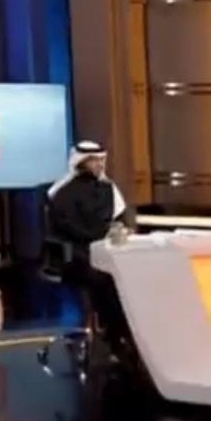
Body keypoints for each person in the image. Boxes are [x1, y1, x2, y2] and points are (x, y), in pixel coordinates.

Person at [47, 140, 135, 351]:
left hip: (108, 249)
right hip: (77, 254)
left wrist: (122, 230)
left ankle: (127, 334)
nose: (99, 165)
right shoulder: (63, 193)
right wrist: (100, 238)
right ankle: (114, 335)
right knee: (105, 280)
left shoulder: (108, 188)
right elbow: (68, 228)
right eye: (94, 160)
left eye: (101, 160)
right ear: (81, 162)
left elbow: (122, 219)